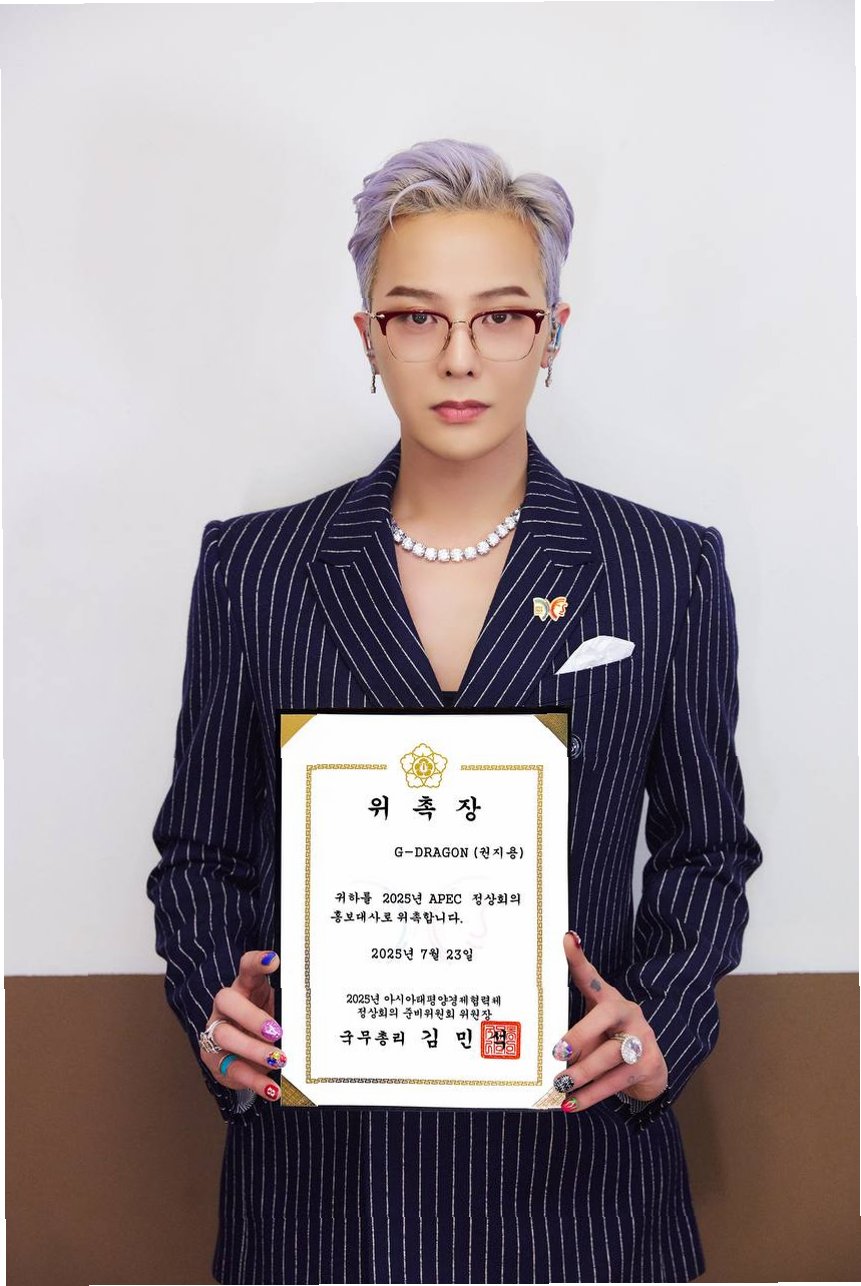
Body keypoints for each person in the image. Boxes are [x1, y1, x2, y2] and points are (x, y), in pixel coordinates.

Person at [147, 138, 763, 1285]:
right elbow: (200, 851)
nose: (460, 354)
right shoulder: (256, 569)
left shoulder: (661, 569)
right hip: (323, 1198)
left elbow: (706, 848)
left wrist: (662, 1024)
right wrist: (215, 1004)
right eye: (418, 316)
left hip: (577, 1187)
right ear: (368, 336)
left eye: (503, 315)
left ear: (554, 331)